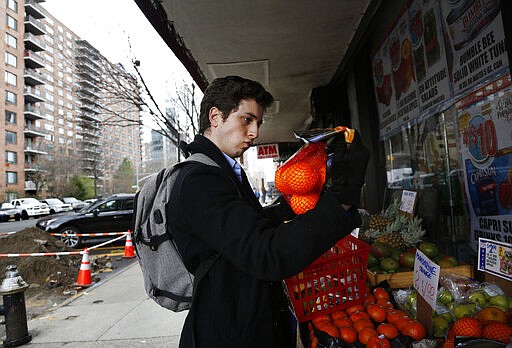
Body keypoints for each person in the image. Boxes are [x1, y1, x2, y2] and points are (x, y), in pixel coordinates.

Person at [169, 75, 370, 347]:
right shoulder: (200, 180)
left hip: (238, 323)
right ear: (215, 117)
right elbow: (265, 253)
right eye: (246, 120)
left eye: (258, 123)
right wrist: (341, 200)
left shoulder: (219, 172)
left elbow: (249, 227)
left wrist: (296, 204)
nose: (255, 132)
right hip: (229, 334)